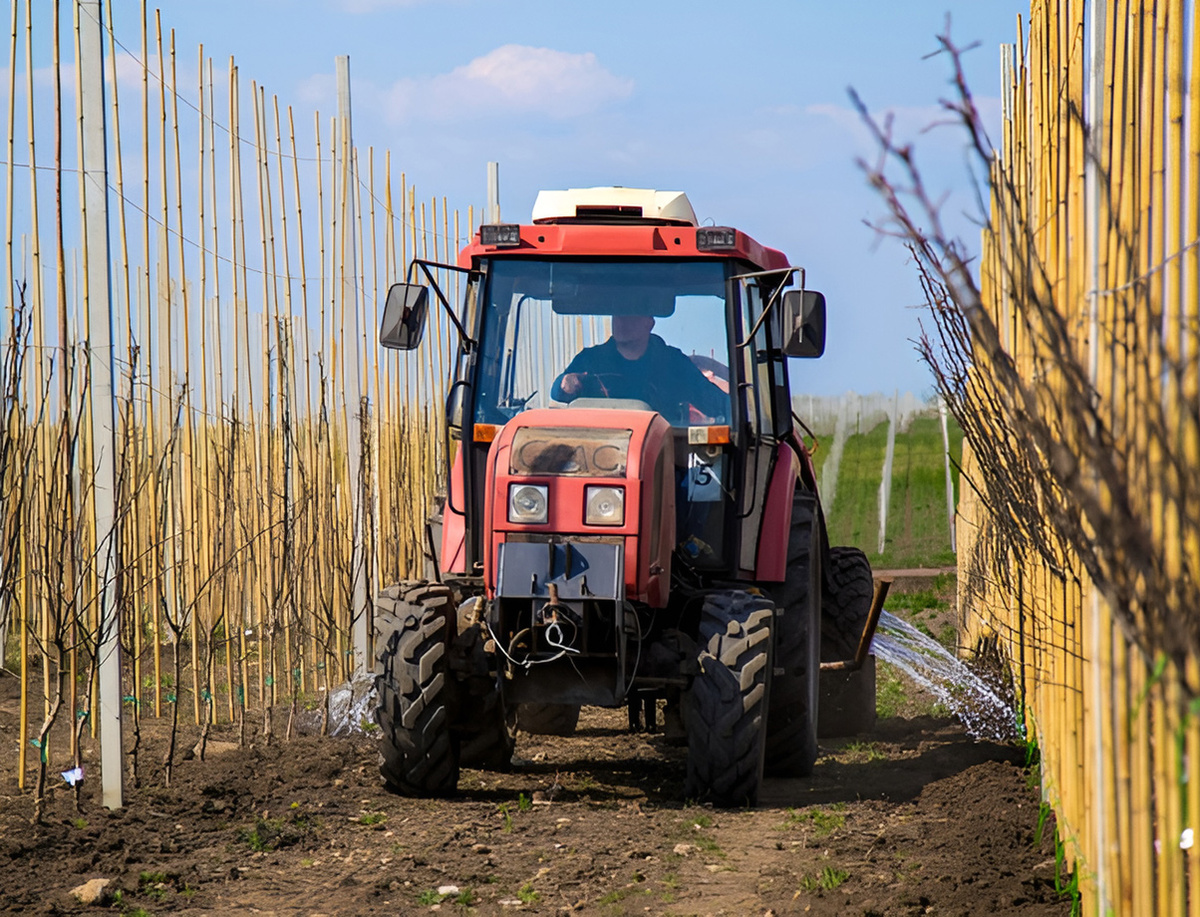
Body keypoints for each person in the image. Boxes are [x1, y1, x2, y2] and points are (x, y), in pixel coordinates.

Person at [550, 315, 728, 425]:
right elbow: (557, 392)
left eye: (630, 315)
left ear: (649, 322)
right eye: (617, 315)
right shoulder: (590, 360)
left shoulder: (673, 363)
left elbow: (717, 403)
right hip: (599, 457)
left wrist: (745, 410)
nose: (621, 321)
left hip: (661, 459)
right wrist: (566, 384)